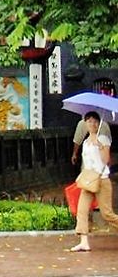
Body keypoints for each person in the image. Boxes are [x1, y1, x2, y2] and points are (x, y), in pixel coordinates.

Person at [70, 111, 118, 252]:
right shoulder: (85, 142)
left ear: (99, 124)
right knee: (82, 210)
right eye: (89, 121)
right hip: (89, 181)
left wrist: (100, 146)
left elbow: (106, 160)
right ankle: (84, 241)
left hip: (102, 180)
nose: (92, 124)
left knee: (107, 214)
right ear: (85, 123)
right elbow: (87, 163)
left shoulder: (103, 139)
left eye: (95, 121)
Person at [72, 81, 115, 166]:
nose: (105, 93)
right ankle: (75, 153)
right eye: (103, 91)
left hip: (103, 130)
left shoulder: (111, 106)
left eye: (107, 91)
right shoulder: (94, 103)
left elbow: (112, 120)